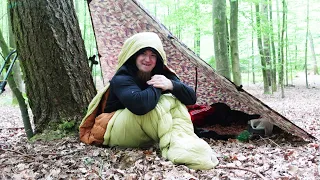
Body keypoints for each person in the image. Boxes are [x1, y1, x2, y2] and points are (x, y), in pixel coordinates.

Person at [79, 32, 219, 170]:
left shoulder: (161, 74)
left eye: (153, 55)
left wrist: (171, 84)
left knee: (175, 101)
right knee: (163, 103)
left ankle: (186, 143)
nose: (148, 59)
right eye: (143, 54)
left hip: (140, 127)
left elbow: (191, 98)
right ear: (133, 55)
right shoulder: (122, 77)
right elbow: (140, 106)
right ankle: (178, 147)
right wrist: (158, 85)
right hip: (111, 128)